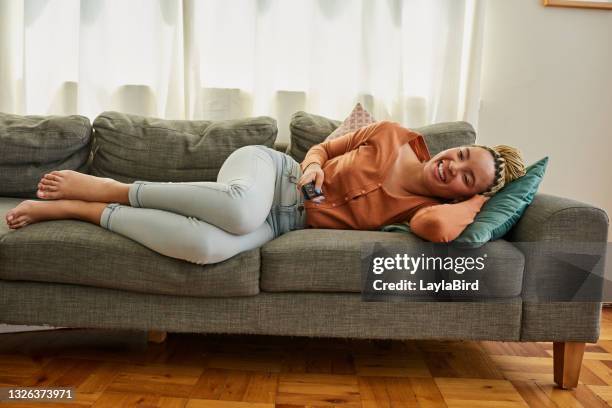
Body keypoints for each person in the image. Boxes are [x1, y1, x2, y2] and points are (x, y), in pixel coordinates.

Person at [4, 120, 525, 264]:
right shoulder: (391, 134)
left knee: (208, 248)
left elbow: (437, 231)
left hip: (282, 223)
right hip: (268, 173)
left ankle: (83, 209)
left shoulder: (428, 211)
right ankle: (113, 187)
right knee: (235, 208)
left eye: (466, 178)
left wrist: (481, 200)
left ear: (465, 197)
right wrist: (313, 166)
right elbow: (321, 147)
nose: (451, 167)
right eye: (459, 156)